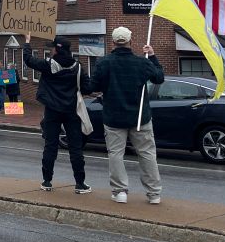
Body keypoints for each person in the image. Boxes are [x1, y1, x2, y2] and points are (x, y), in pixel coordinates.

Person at [88, 26, 165, 205]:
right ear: (130, 41)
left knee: (116, 154)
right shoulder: (142, 62)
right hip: (140, 117)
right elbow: (159, 78)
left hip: (114, 117)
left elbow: (93, 86)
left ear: (113, 42)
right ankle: (154, 193)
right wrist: (152, 56)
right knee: (147, 154)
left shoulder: (104, 63)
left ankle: (120, 191)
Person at [23, 34, 91, 194]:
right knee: (75, 148)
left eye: (53, 47)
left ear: (56, 50)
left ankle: (47, 181)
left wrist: (27, 42)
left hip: (52, 110)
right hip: (71, 111)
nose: (51, 50)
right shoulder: (78, 67)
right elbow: (87, 88)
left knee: (50, 146)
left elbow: (28, 60)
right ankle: (80, 183)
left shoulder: (48, 65)